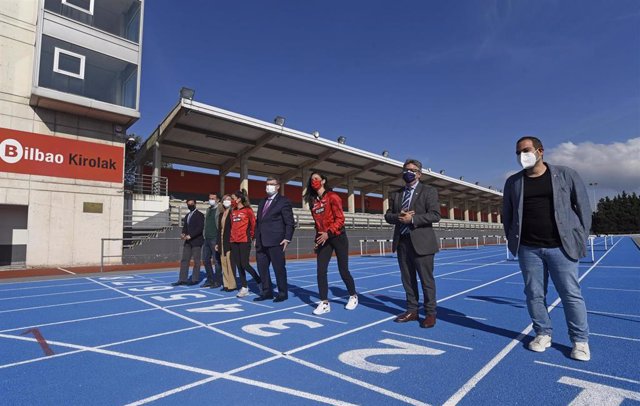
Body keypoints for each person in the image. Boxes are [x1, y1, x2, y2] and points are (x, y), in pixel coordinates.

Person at [503, 136, 592, 361]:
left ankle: (580, 340)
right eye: (518, 152)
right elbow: (508, 214)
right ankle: (542, 333)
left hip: (561, 247)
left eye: (527, 150)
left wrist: (579, 237)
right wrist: (514, 240)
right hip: (529, 249)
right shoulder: (513, 182)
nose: (522, 155)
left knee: (570, 294)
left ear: (540, 151)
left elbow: (583, 207)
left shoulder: (565, 174)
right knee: (534, 294)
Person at [384, 159, 441, 328]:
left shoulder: (429, 191)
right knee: (407, 279)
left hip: (422, 242)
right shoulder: (396, 194)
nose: (408, 172)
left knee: (426, 280)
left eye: (412, 170)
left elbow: (435, 215)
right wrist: (399, 216)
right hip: (402, 242)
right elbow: (388, 216)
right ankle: (412, 310)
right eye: (405, 170)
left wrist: (413, 219)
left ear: (419, 173)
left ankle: (430, 313)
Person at [304, 172, 358, 315]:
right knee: (321, 271)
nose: (313, 181)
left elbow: (340, 219)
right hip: (323, 238)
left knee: (343, 270)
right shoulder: (313, 202)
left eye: (316, 178)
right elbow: (317, 224)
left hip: (338, 236)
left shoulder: (333, 197)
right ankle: (324, 302)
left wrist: (329, 232)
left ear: (323, 181)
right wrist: (318, 240)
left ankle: (353, 295)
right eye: (311, 179)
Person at [254, 177, 295, 302]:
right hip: (261, 241)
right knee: (262, 268)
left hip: (276, 241)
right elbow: (258, 222)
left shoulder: (283, 201)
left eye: (271, 184)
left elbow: (289, 222)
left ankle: (282, 293)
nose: (268, 187)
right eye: (267, 184)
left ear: (278, 186)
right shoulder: (262, 201)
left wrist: (287, 238)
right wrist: (256, 237)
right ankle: (267, 292)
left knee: (279, 268)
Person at [230, 189, 261, 297]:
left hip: (244, 240)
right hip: (234, 241)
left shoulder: (248, 210)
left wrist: (252, 237)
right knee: (238, 265)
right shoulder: (233, 211)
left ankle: (259, 282)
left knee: (245, 264)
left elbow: (253, 225)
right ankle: (244, 287)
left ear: (238, 199)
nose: (231, 201)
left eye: (233, 199)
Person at [172, 198, 204, 286]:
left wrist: (191, 235)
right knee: (184, 260)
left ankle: (195, 279)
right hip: (187, 242)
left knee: (196, 261)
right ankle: (182, 279)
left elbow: (200, 228)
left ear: (195, 204)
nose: (190, 205)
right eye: (188, 204)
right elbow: (185, 226)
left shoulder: (200, 215)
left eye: (191, 204)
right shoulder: (187, 215)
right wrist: (183, 233)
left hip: (196, 241)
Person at [201, 193, 222, 288]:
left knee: (216, 261)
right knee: (205, 260)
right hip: (207, 238)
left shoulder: (220, 208)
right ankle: (210, 280)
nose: (211, 200)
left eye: (213, 198)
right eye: (210, 198)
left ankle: (218, 281)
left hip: (215, 238)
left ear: (217, 200)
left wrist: (219, 239)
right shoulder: (208, 209)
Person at [217, 194, 237, 292]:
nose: (226, 201)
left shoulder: (233, 212)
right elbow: (219, 229)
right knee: (223, 262)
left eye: (228, 199)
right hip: (221, 241)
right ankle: (226, 284)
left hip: (229, 241)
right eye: (224, 199)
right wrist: (217, 243)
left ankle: (232, 284)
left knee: (230, 263)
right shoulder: (221, 213)